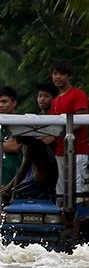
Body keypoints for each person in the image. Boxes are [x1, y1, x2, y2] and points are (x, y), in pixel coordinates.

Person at [44, 58, 88, 202]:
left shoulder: (77, 94)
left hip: (78, 151)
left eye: (62, 74)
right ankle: (61, 218)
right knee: (60, 189)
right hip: (59, 151)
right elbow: (52, 127)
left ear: (69, 76)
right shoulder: (55, 101)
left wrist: (61, 131)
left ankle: (79, 220)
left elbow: (81, 120)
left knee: (78, 189)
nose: (57, 77)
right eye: (55, 73)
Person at [5, 134, 58, 201]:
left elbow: (21, 174)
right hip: (42, 183)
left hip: (42, 185)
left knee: (9, 193)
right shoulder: (36, 143)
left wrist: (7, 188)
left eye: (14, 136)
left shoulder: (30, 147)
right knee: (10, 190)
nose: (13, 138)